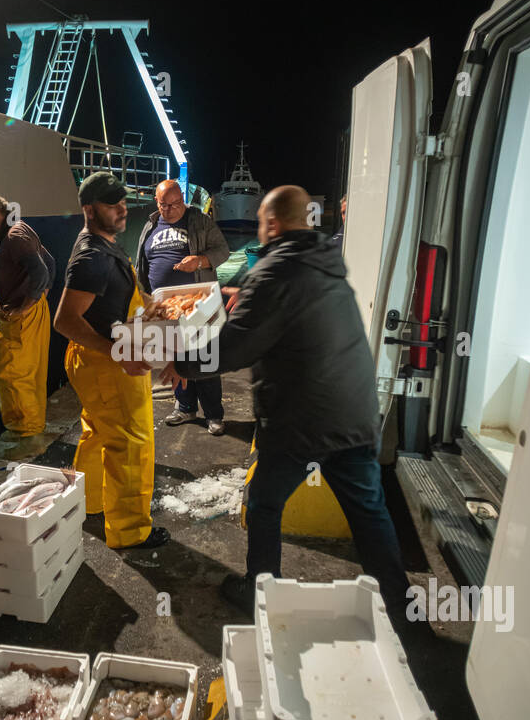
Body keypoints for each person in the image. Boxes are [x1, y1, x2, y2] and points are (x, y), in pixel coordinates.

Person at [166, 184, 413, 627]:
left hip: (301, 420)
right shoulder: (324, 263)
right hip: (354, 412)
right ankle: (400, 608)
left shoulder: (274, 270)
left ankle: (260, 591)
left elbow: (234, 347)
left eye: (263, 223)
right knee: (369, 513)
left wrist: (182, 362)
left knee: (263, 502)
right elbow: (286, 315)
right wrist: (238, 298)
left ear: (273, 224)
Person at [54, 171, 169, 551]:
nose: (122, 210)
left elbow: (119, 295)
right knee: (130, 443)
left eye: (123, 202)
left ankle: (91, 502)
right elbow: (65, 320)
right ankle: (130, 532)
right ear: (88, 210)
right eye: (111, 204)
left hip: (95, 362)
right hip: (108, 363)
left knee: (98, 433)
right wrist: (122, 353)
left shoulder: (105, 243)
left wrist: (154, 306)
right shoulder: (92, 257)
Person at [136, 177, 230, 434]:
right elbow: (141, 264)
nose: (171, 209)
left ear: (182, 200)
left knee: (205, 357)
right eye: (165, 205)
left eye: (176, 203)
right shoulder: (151, 225)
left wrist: (200, 261)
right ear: (157, 202)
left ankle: (213, 414)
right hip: (165, 306)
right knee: (176, 356)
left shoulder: (200, 221)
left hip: (198, 302)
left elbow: (223, 251)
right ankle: (185, 407)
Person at [0, 194, 55, 437]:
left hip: (21, 321)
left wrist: (24, 306)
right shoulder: (21, 229)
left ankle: (24, 432)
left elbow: (40, 272)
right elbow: (51, 263)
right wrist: (40, 297)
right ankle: (33, 425)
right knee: (31, 374)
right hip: (32, 316)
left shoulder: (14, 237)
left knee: (14, 376)